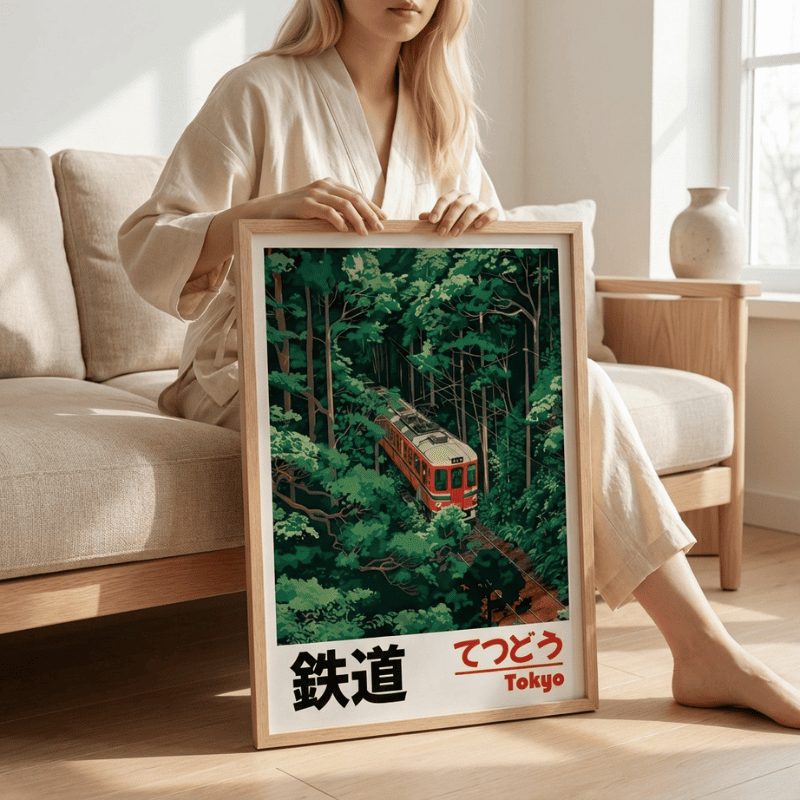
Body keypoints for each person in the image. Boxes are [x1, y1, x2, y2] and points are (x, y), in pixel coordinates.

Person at [118, 0, 800, 728]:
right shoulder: (258, 92)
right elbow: (147, 241)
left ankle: (702, 649)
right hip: (252, 368)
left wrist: (484, 231)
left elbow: (501, 283)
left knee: (579, 385)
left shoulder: (441, 118)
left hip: (392, 373)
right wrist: (255, 215)